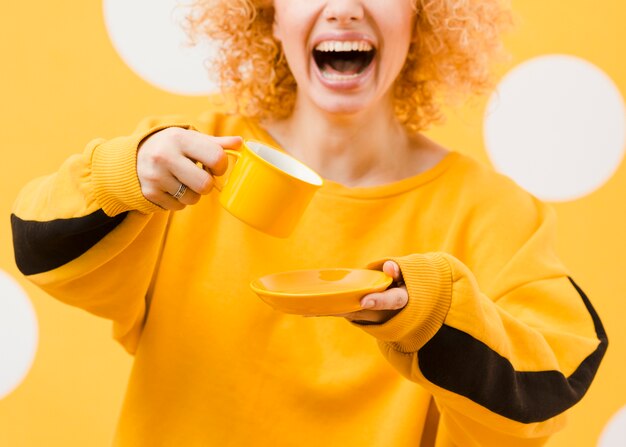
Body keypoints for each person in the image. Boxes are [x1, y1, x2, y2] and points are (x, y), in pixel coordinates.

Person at [11, 0, 607, 445]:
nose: (345, 7)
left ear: (421, 17)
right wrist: (125, 178)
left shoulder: (492, 211)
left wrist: (436, 313)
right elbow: (34, 243)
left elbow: (553, 382)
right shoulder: (185, 158)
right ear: (269, 16)